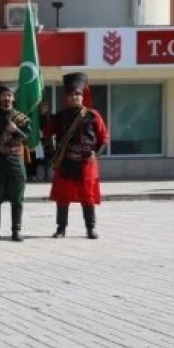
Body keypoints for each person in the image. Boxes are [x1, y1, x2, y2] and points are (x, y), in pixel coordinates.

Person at [45, 72, 110, 239]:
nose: (74, 97)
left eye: (77, 94)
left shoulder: (93, 115)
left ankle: (90, 228)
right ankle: (61, 229)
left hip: (86, 164)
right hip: (65, 162)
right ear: (67, 97)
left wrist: (96, 154)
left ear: (83, 96)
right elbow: (46, 134)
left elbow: (104, 138)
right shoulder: (59, 116)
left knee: (87, 197)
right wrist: (52, 153)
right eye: (71, 95)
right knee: (63, 197)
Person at [0, 83, 31, 241]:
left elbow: (28, 138)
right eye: (4, 95)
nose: (7, 98)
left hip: (15, 160)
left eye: (9, 95)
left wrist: (15, 130)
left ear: (13, 98)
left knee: (17, 196)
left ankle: (16, 230)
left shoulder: (21, 117)